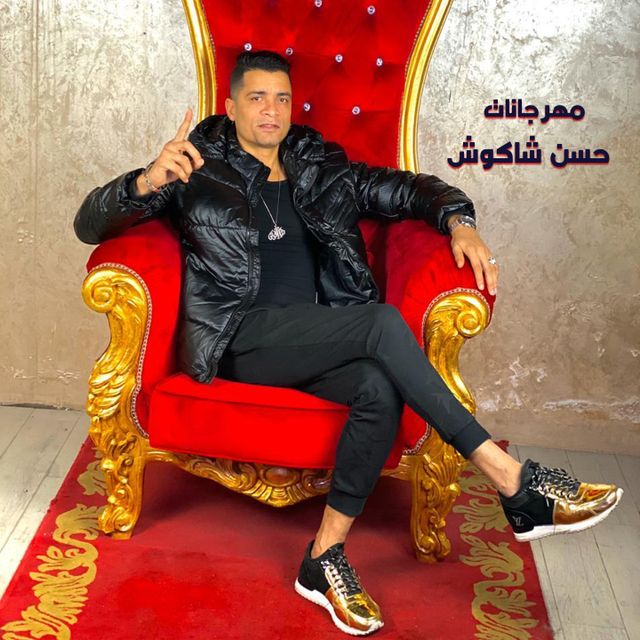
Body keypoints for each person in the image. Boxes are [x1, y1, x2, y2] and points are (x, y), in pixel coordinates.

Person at [74, 50, 623, 637]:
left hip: (312, 337)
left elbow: (410, 190)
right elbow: (88, 225)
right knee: (380, 323)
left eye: (282, 98)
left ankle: (323, 558)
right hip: (239, 337)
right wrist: (145, 181)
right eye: (257, 98)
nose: (271, 110)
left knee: (377, 388)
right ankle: (511, 480)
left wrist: (459, 222)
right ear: (230, 106)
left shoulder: (322, 167)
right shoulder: (193, 167)